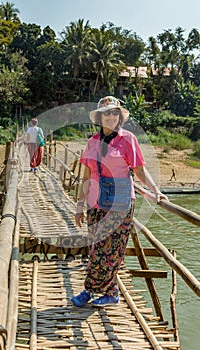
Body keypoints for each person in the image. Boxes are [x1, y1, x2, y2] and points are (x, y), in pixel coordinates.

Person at [71, 96, 168, 308]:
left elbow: (139, 169)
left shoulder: (128, 139)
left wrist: (156, 190)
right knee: (96, 248)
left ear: (120, 117)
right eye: (107, 113)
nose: (111, 116)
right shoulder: (92, 142)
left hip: (120, 203)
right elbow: (86, 177)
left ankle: (95, 291)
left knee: (113, 250)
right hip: (95, 202)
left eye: (115, 112)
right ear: (99, 117)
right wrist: (79, 207)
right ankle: (105, 290)